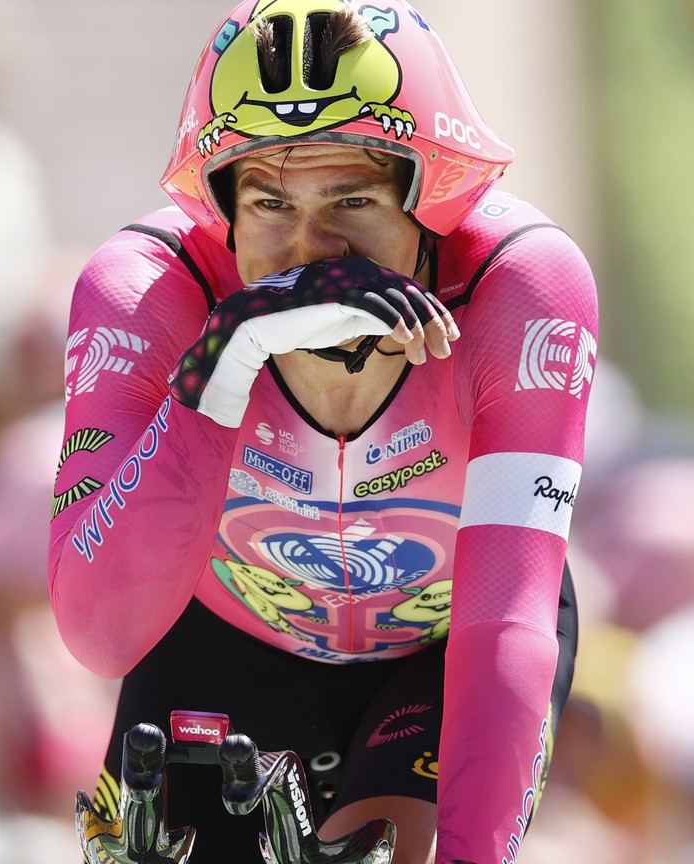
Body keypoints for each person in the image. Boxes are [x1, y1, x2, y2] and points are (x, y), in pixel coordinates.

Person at [48, 2, 598, 862]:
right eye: (269, 201)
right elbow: (101, 630)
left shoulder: (521, 285)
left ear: (434, 204)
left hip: (442, 647)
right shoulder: (147, 289)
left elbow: (506, 622)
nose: (313, 247)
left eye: (352, 197)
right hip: (221, 643)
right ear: (221, 209)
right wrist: (218, 369)